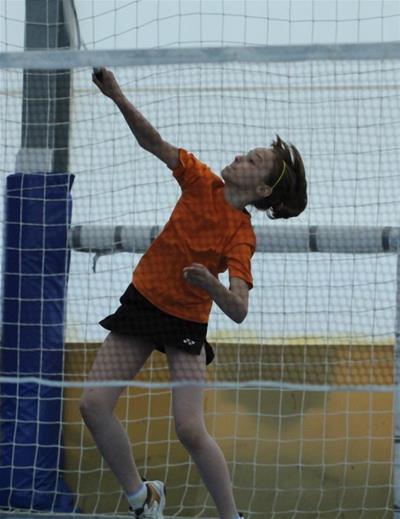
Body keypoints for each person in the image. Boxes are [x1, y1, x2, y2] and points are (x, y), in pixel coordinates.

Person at [79, 67, 307, 519]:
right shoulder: (200, 179)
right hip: (144, 301)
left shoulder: (241, 235)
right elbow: (154, 143)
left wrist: (210, 284)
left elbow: (238, 309)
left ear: (262, 189)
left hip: (186, 321)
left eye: (252, 160)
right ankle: (143, 498)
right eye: (247, 153)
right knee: (93, 405)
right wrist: (117, 95)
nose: (240, 157)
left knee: (189, 428)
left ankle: (231, 516)